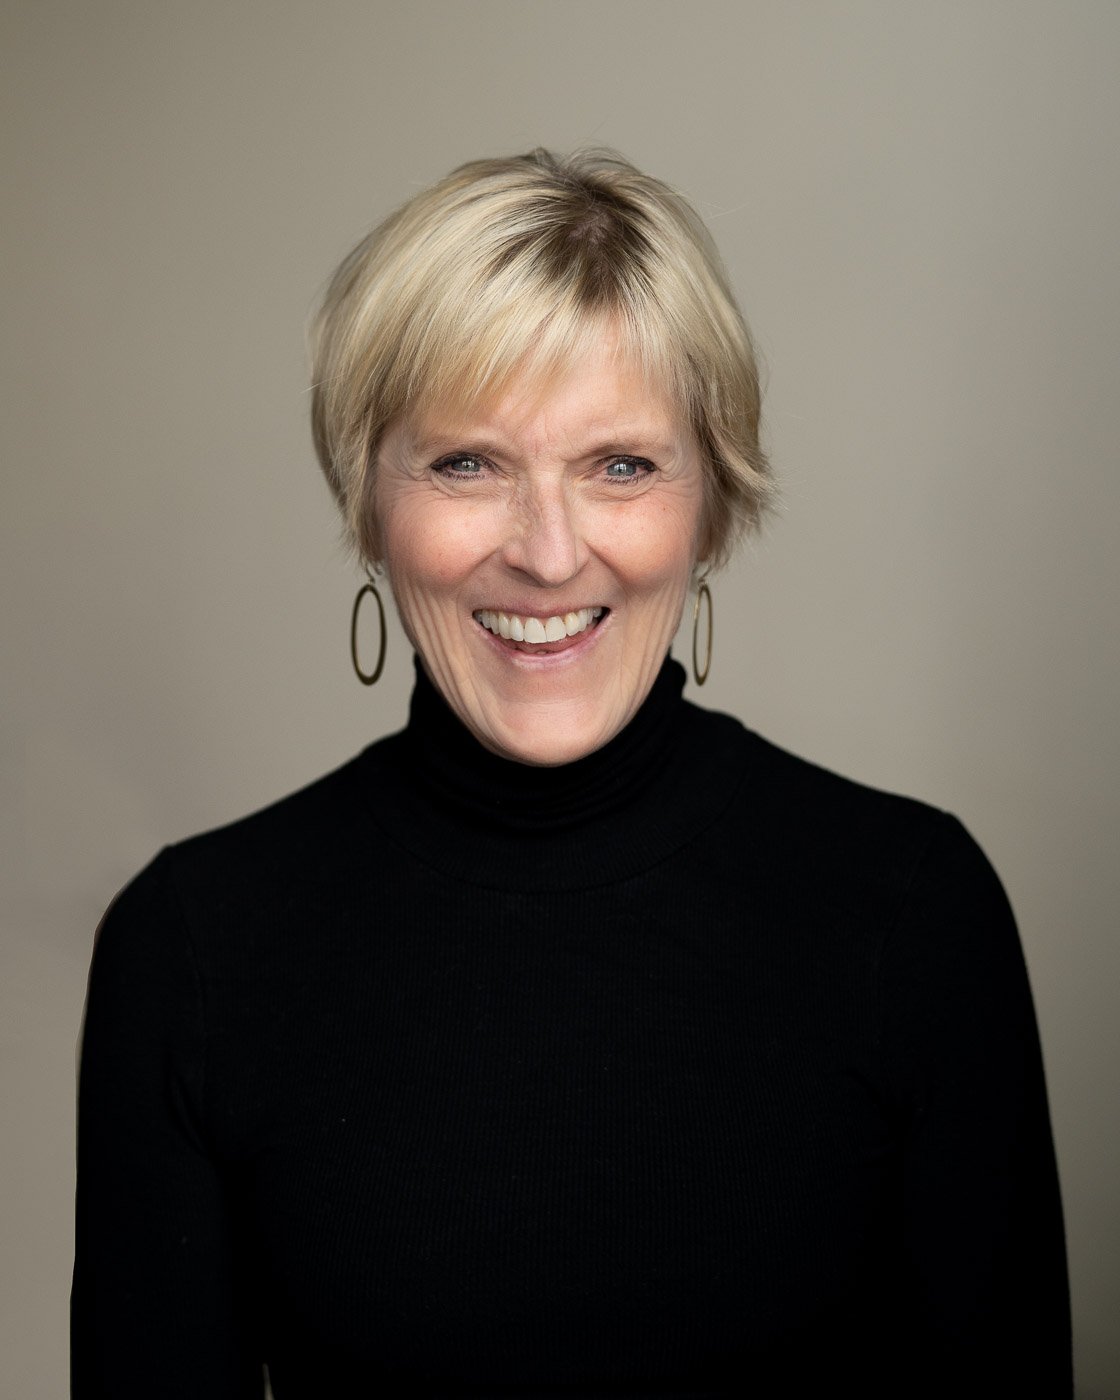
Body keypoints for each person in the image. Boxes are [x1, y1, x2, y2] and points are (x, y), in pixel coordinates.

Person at [71, 149, 1071, 1397]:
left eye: (620, 464)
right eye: (466, 463)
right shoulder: (193, 947)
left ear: (711, 503)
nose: (548, 554)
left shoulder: (914, 911)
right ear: (367, 500)